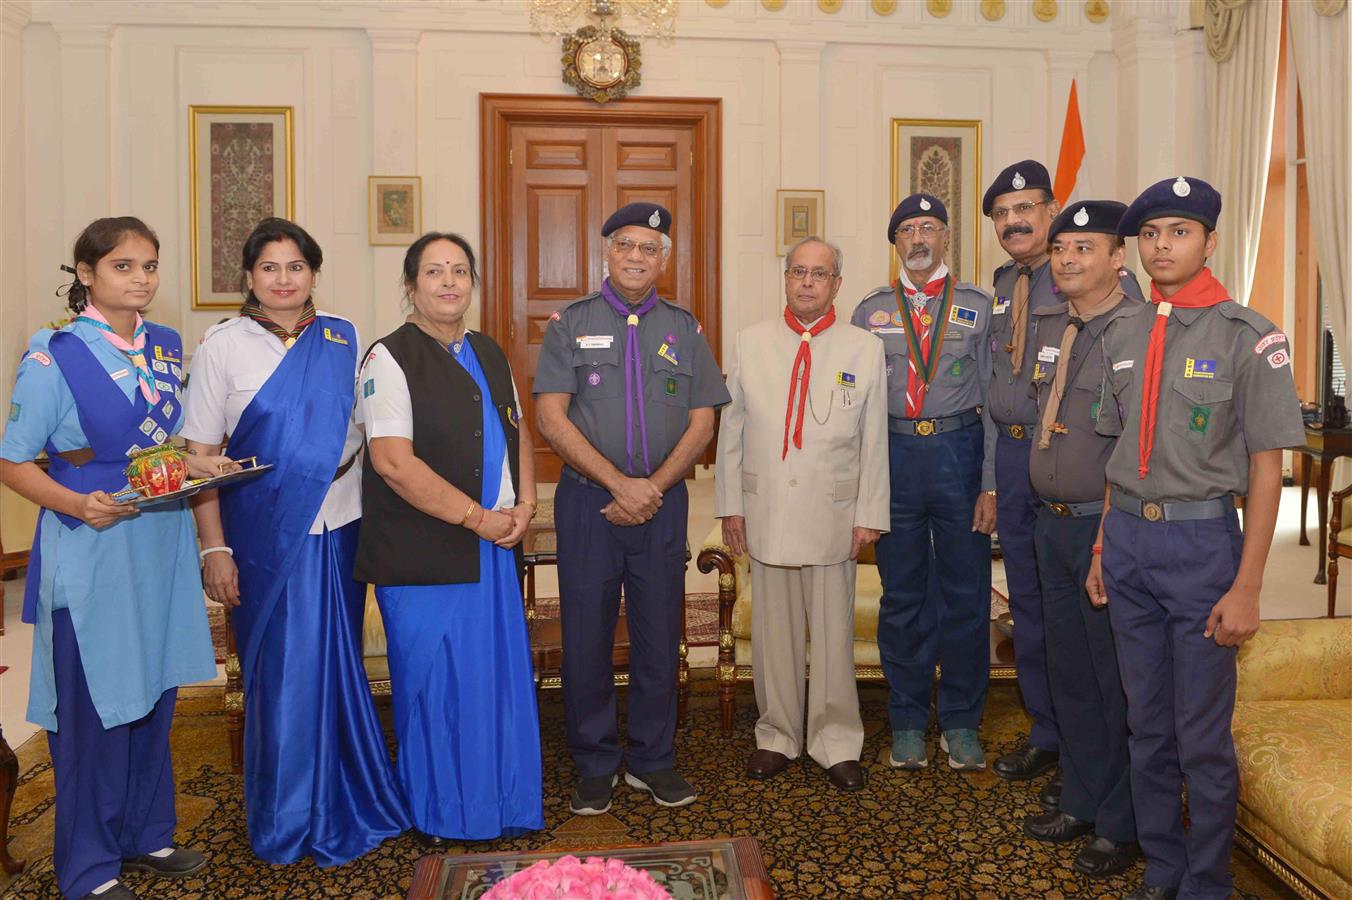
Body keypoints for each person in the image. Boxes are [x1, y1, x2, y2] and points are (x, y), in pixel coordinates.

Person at [1090, 177, 1305, 900]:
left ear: (1210, 240)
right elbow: (1118, 459)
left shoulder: (1249, 336)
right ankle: (1164, 868)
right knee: (1146, 725)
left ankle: (1208, 882)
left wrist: (1248, 587)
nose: (1161, 246)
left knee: (1201, 736)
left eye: (1178, 232)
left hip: (1201, 548)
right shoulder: (1119, 331)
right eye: (1149, 234)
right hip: (1126, 546)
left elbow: (1267, 468)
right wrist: (1100, 551)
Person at [0, 218, 227, 900]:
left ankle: (145, 832)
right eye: (124, 266)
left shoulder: (163, 344)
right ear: (87, 274)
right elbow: (13, 461)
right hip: (91, 542)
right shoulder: (54, 355)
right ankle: (90, 866)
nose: (142, 278)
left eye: (150, 265)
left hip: (157, 541)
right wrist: (76, 507)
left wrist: (205, 462)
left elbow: (174, 443)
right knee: (97, 706)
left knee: (153, 692)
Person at [181, 217, 408, 866]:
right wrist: (213, 549)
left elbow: (372, 433)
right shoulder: (223, 346)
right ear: (249, 278)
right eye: (270, 268)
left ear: (313, 272)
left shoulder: (344, 337)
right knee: (281, 680)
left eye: (296, 267)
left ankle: (350, 797)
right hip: (264, 537)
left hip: (343, 530)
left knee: (339, 668)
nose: (284, 279)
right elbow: (200, 457)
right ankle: (286, 819)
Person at [534, 202, 730, 815]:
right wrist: (620, 484)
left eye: (650, 248)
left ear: (663, 260)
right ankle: (594, 762)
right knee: (587, 638)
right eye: (626, 245)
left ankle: (652, 759)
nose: (637, 257)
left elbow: (704, 420)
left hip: (663, 506)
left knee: (657, 634)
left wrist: (651, 488)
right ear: (606, 253)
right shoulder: (570, 323)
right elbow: (550, 416)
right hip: (589, 505)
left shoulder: (684, 327)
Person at [356, 231, 542, 846]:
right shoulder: (387, 359)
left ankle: (501, 801)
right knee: (435, 686)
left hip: (493, 547)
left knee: (491, 681)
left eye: (460, 271)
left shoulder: (489, 351)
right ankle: (438, 814)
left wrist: (526, 503)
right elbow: (393, 464)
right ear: (410, 285)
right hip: (425, 556)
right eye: (433, 272)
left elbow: (519, 435)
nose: (448, 283)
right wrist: (478, 518)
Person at [715, 236, 889, 792]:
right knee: (773, 633)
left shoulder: (864, 348)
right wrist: (730, 506)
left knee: (834, 634)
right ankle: (777, 735)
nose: (807, 281)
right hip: (767, 509)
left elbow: (874, 441)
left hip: (834, 512)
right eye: (798, 272)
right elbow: (732, 433)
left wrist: (869, 512)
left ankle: (836, 739)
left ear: (838, 284)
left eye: (820, 273)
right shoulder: (750, 342)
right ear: (785, 279)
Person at [850, 193, 998, 771]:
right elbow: (857, 405)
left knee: (966, 595)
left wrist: (990, 484)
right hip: (894, 456)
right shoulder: (870, 311)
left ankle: (961, 721)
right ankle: (908, 721)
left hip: (959, 454)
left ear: (945, 239)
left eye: (929, 228)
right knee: (903, 595)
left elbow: (994, 402)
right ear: (895, 243)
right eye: (908, 229)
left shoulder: (979, 307)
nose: (918, 238)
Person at [1020, 200, 1141, 878]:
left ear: (1117, 258)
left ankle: (1122, 823)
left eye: (1084, 248)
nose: (1066, 259)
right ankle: (1084, 798)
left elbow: (1132, 446)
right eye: (1061, 248)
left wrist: (1104, 539)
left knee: (1111, 681)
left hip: (1104, 529)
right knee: (1068, 675)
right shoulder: (1070, 326)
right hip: (1053, 527)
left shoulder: (1135, 330)